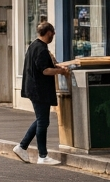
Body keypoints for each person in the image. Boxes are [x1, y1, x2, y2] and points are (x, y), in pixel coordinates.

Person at [13, 21, 70, 165]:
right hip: (40, 90)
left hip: (33, 89)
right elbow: (45, 70)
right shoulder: (42, 50)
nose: (54, 36)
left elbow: (43, 65)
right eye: (53, 33)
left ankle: (22, 147)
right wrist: (61, 71)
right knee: (43, 122)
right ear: (49, 33)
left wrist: (56, 66)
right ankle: (42, 155)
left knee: (40, 120)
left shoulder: (33, 46)